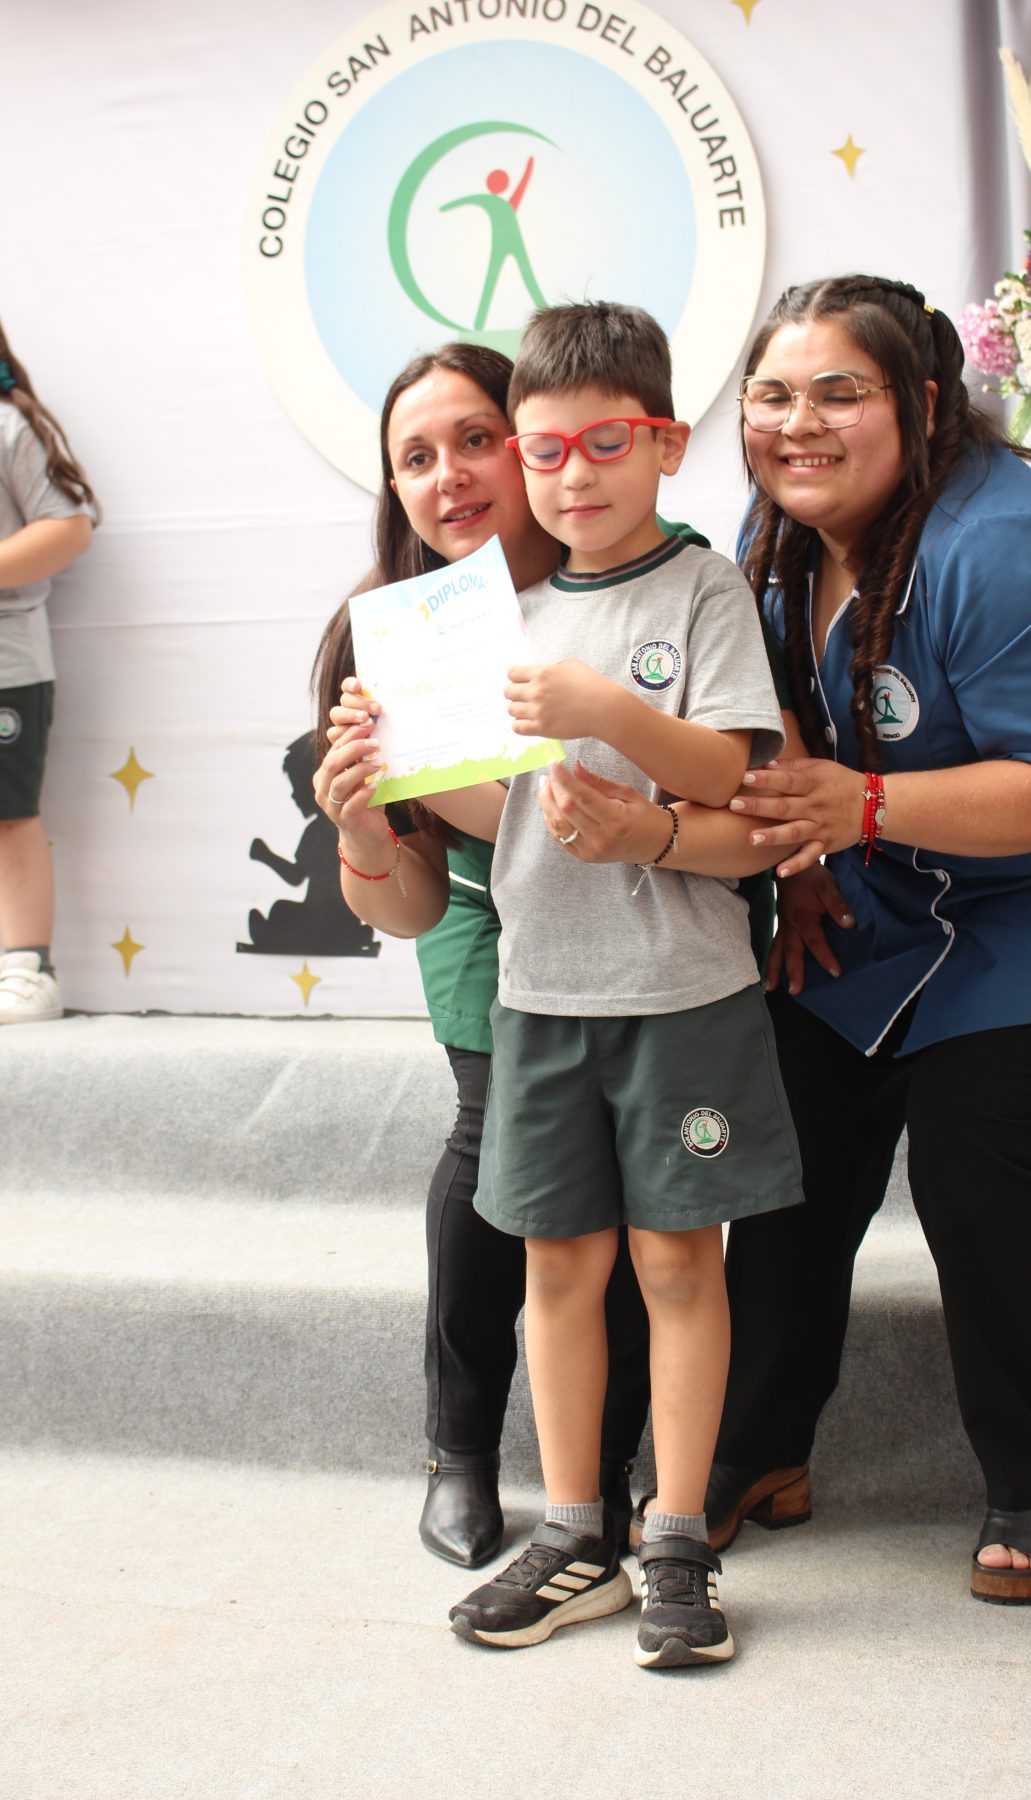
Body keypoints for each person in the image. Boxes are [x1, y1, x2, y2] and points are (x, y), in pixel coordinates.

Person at [539, 274, 1031, 1606]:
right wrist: (801, 871)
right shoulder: (773, 536)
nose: (799, 423)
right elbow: (775, 721)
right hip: (897, 880)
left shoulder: (1005, 549)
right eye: (774, 395)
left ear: (925, 405)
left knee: (970, 1136)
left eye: (842, 392)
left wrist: (866, 807)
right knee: (783, 1116)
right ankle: (761, 1447)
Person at [441, 300, 803, 1670]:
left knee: (675, 1263)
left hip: (683, 997)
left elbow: (731, 776)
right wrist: (392, 770)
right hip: (543, 995)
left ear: (664, 442)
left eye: (605, 443)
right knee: (561, 1266)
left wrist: (607, 713)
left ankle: (679, 1534)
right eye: (545, 451)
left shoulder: (703, 590)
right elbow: (505, 813)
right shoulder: (503, 613)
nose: (574, 474)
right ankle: (575, 1525)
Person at [311, 342, 651, 1571]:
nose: (448, 474)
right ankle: (461, 1447)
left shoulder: (634, 582)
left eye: (474, 438)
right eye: (415, 457)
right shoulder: (380, 638)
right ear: (393, 490)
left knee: (632, 1173)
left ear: (534, 440)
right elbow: (403, 907)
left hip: (637, 897)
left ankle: (610, 1470)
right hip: (476, 909)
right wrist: (358, 821)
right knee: (496, 1125)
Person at [0, 322, 98, 1024]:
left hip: (7, 666)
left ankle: (27, 966)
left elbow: (68, 525)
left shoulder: (8, 427)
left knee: (10, 816)